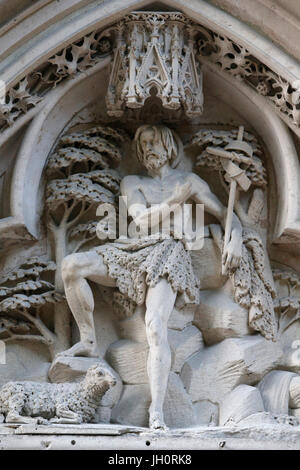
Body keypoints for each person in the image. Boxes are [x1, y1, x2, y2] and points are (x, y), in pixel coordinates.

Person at [60, 124, 242, 430]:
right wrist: (178, 199)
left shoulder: (190, 181)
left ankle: (156, 412)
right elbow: (142, 220)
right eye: (143, 144)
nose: (148, 150)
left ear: (169, 146)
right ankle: (89, 340)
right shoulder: (134, 182)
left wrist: (234, 236)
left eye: (154, 142)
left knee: (156, 329)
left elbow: (227, 214)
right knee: (71, 266)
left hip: (169, 253)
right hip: (133, 250)